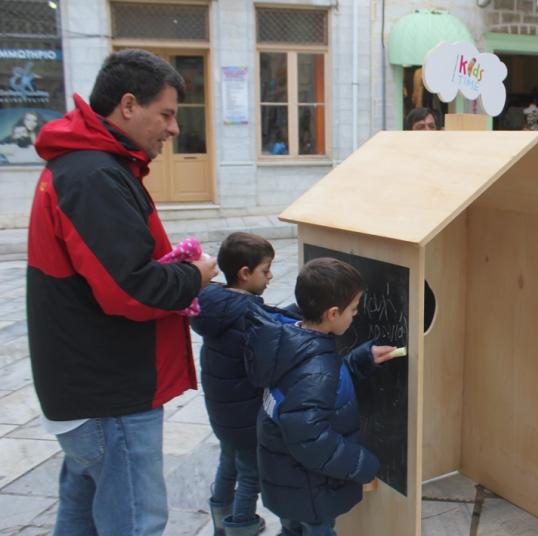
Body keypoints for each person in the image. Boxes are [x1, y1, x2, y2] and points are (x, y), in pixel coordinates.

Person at [27, 49, 219, 535]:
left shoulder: (89, 165)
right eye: (167, 114)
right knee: (136, 521)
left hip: (88, 389)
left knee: (82, 518)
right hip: (108, 397)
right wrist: (195, 275)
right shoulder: (93, 175)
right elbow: (130, 289)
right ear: (129, 105)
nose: (174, 129)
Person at [243, 258, 405, 536]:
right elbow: (311, 439)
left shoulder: (295, 342)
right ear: (333, 313)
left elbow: (321, 389)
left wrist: (362, 360)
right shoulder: (314, 367)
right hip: (309, 490)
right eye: (353, 309)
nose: (355, 315)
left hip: (288, 481)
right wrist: (361, 464)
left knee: (292, 530)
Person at [190, 232, 298, 535]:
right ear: (245, 273)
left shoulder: (215, 304)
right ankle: (242, 525)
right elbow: (266, 359)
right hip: (246, 414)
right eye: (266, 270)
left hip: (223, 412)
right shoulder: (246, 315)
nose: (270, 276)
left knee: (228, 462)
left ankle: (220, 515)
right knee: (251, 472)